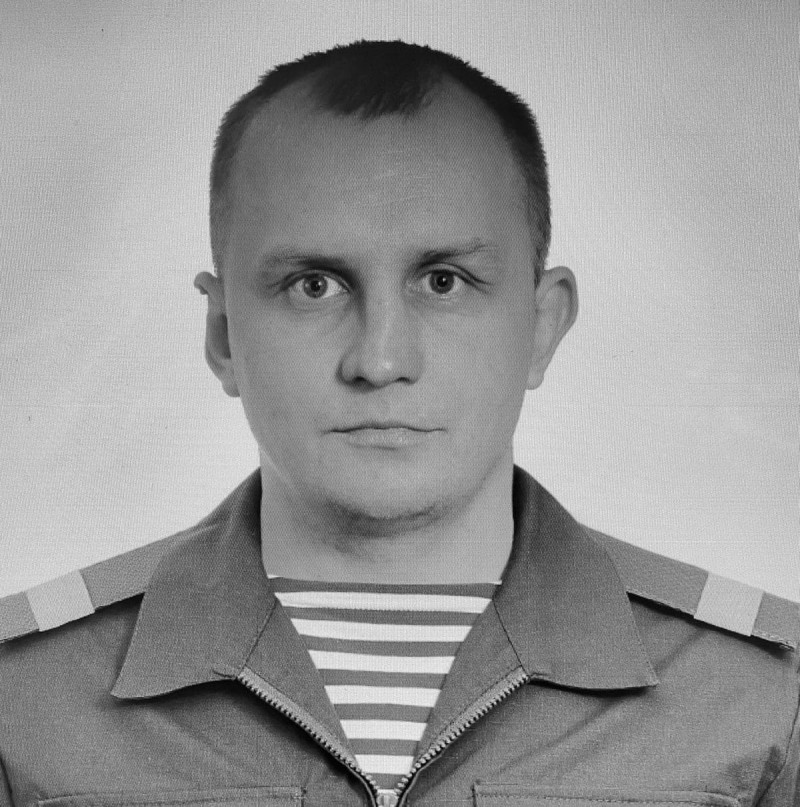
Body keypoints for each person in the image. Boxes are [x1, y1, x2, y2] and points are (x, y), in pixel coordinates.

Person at [0, 40, 797, 807]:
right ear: (223, 335)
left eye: (444, 281)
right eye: (314, 285)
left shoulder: (760, 699)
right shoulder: (24, 700)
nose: (380, 360)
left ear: (542, 326)